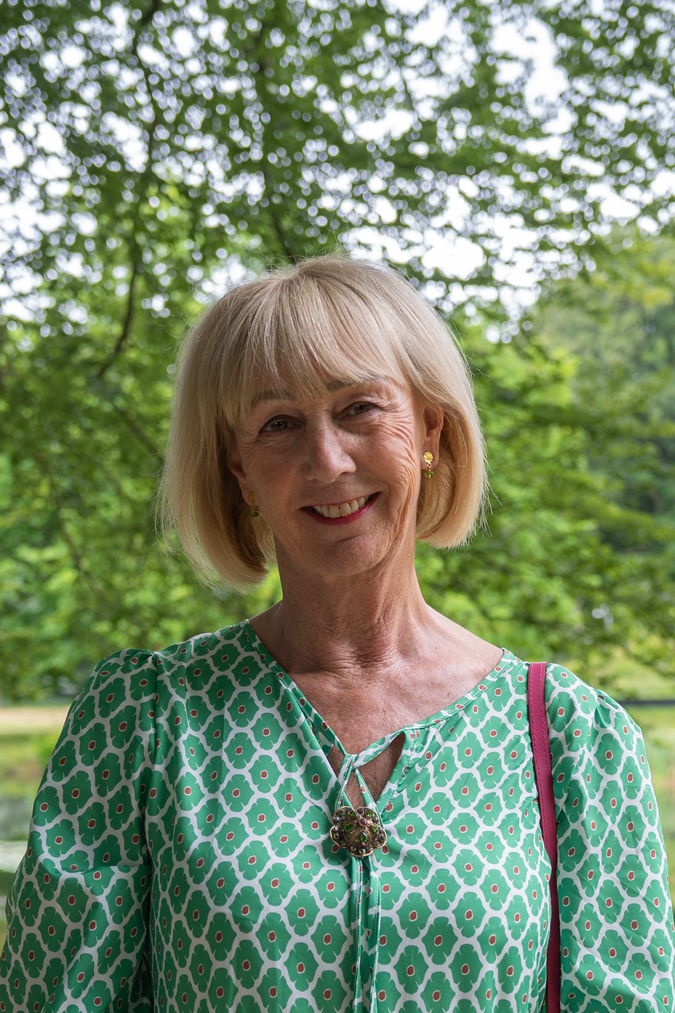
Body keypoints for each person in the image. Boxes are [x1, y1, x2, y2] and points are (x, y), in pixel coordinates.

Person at [1, 255, 673, 1012]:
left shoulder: (569, 734)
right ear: (240, 471)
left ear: (428, 428)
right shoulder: (145, 720)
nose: (327, 459)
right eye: (279, 423)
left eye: (359, 408)